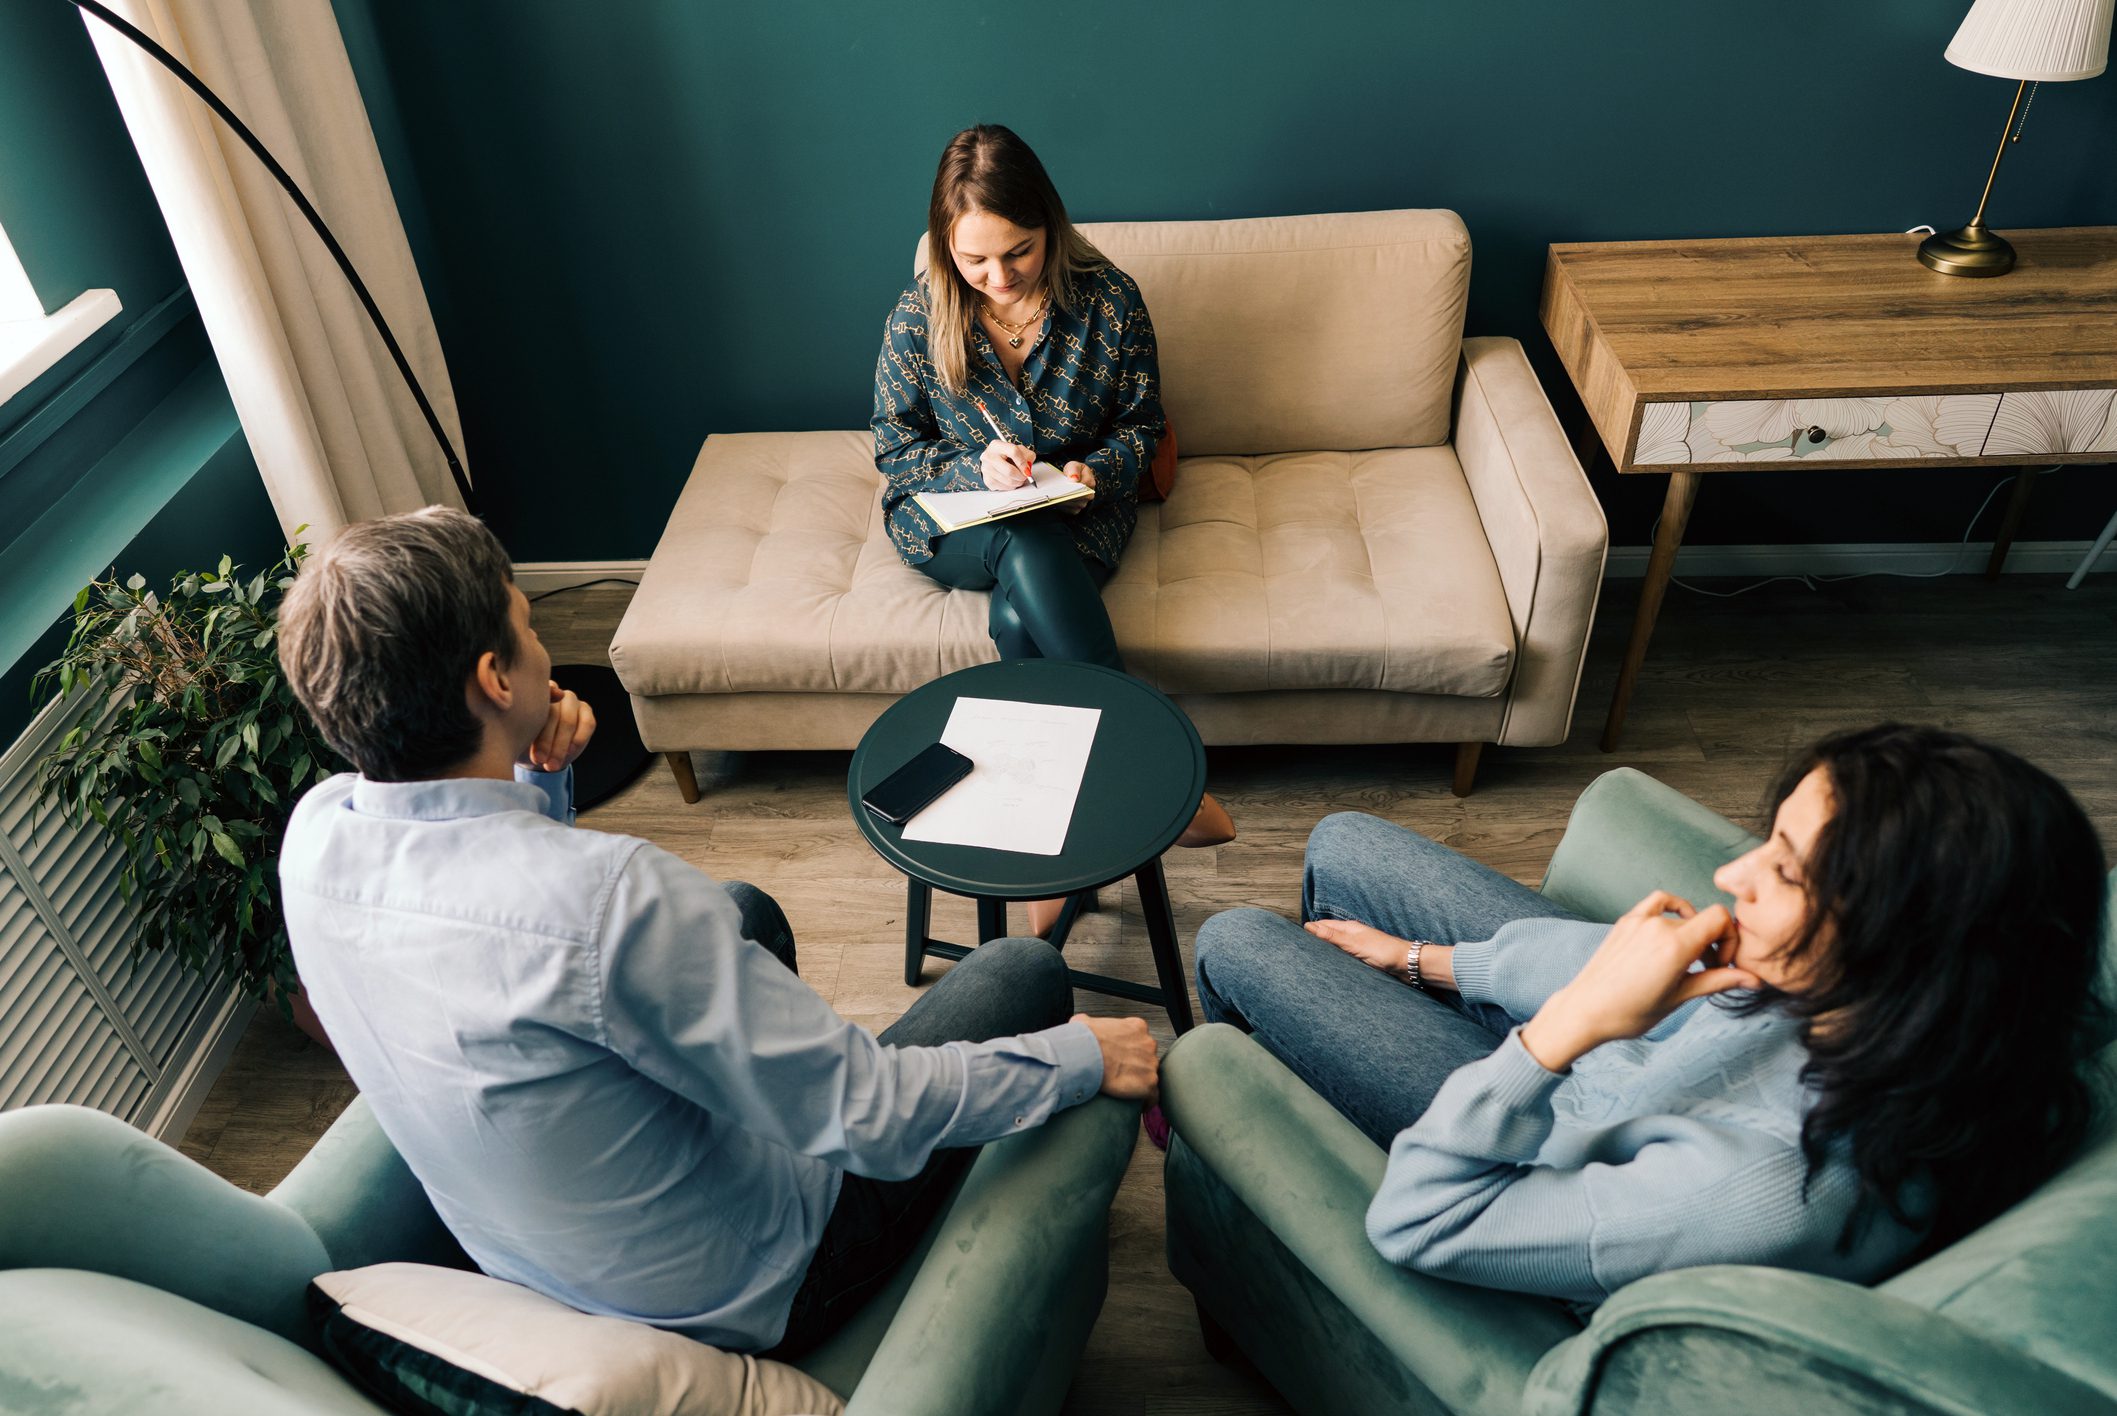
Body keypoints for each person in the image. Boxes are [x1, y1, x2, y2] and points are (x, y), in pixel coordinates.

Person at [274, 506, 1160, 1357]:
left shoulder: (313, 836)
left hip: (535, 1251)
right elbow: (870, 1113)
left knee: (741, 910)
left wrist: (535, 775)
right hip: (745, 1287)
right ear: (495, 680)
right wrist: (1081, 1056)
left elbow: (504, 928)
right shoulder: (614, 900)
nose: (548, 652)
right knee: (1020, 972)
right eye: (528, 629)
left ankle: (771, 1067)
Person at [1191, 724, 2109, 1306]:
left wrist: (1562, 1034)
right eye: (1770, 842)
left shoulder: (1756, 1194)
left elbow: (1419, 1224)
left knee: (1234, 940)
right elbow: (1651, 1001)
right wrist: (1429, 963)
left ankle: (1207, 1124)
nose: (1731, 878)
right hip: (1596, 1067)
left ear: (1904, 945)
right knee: (1341, 842)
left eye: (1784, 870)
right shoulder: (1877, 1003)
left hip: (1523, 1157)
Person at [872, 123, 1232, 933]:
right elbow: (895, 448)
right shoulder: (916, 313)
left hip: (1078, 515)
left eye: (1019, 252)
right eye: (973, 260)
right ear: (944, 246)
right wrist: (975, 469)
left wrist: (1092, 473)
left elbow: (1143, 425)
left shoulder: (1110, 301)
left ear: (1051, 228)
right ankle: (1147, 764)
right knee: (1019, 542)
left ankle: (1054, 864)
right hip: (954, 522)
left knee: (1015, 611)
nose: (997, 277)